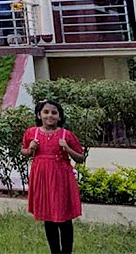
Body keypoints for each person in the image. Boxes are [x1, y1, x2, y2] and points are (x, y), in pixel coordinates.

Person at [22, 100, 85, 254]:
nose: (50, 115)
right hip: (42, 178)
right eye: (46, 112)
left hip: (61, 179)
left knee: (64, 217)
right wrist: (30, 149)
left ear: (59, 116)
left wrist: (67, 148)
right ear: (39, 115)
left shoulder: (66, 135)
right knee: (48, 217)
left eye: (54, 112)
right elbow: (23, 151)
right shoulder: (32, 133)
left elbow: (81, 158)